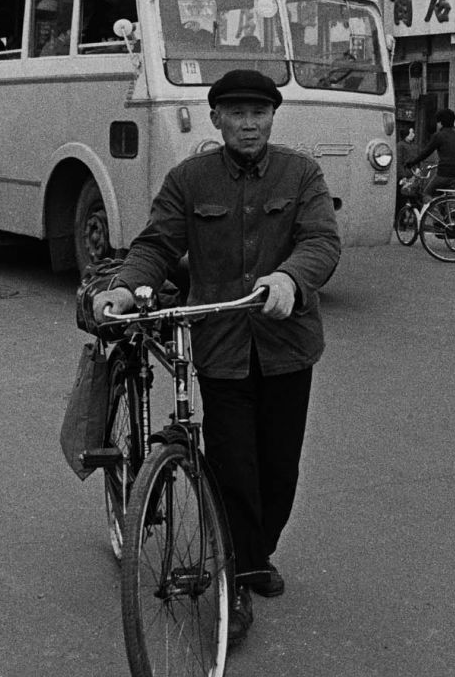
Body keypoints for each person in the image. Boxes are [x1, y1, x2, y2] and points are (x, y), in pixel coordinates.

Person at [90, 70, 340, 647]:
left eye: (259, 113)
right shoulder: (188, 179)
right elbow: (156, 245)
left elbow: (322, 241)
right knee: (234, 470)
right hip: (222, 349)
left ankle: (256, 551)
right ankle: (240, 579)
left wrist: (290, 279)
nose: (249, 123)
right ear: (216, 119)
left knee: (278, 474)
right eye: (237, 113)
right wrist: (126, 287)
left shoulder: (300, 173)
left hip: (287, 348)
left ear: (272, 118)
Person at [407, 108, 455, 200]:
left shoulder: (439, 135)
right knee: (446, 198)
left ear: (440, 123)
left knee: (426, 193)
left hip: (444, 174)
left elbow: (426, 152)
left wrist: (411, 163)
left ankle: (434, 214)